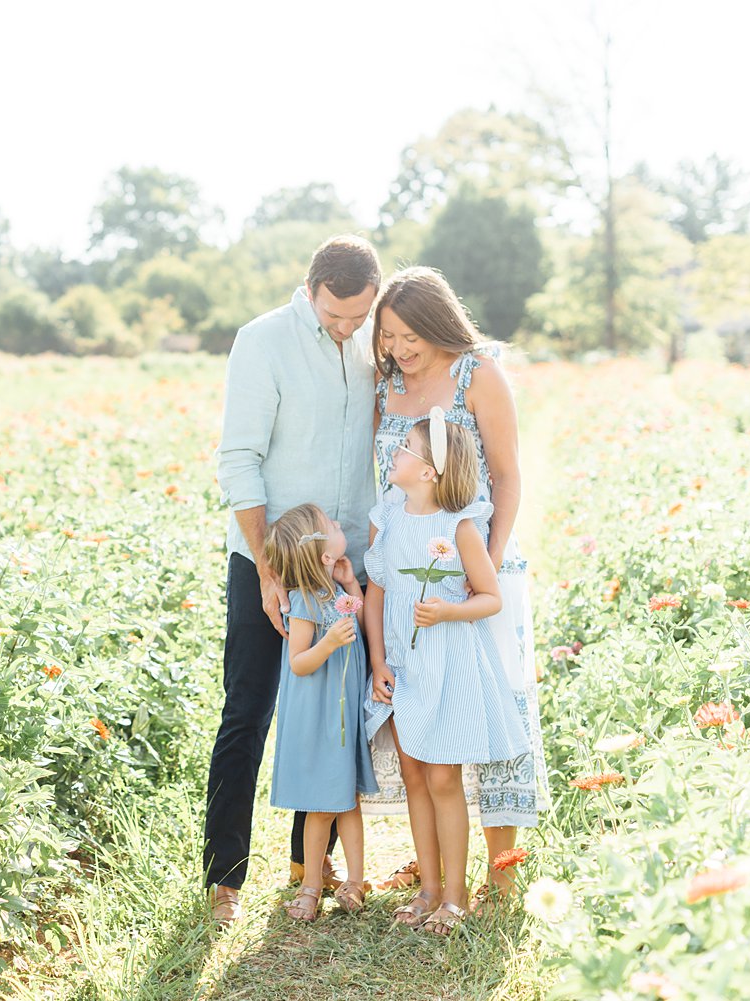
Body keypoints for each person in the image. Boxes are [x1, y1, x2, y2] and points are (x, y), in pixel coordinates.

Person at [361, 265, 550, 908]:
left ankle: (502, 874)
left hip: (481, 566)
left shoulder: (479, 374)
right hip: (411, 575)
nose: (399, 348)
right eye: (387, 336)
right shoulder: (386, 387)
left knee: (494, 714)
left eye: (410, 335)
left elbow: (507, 477)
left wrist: (481, 568)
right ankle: (437, 874)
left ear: (441, 325)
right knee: (425, 722)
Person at [207, 235, 382, 924]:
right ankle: (225, 876)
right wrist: (270, 570)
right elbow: (240, 461)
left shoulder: (371, 341)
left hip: (347, 560)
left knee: (338, 713)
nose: (346, 329)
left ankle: (307, 862)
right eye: (335, 316)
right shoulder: (263, 342)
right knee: (249, 709)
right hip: (267, 558)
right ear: (311, 289)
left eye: (356, 318)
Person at [364, 417, 529, 934]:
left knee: (441, 776)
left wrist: (447, 612)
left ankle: (455, 896)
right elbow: (377, 593)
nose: (394, 452)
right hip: (403, 663)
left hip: (450, 663)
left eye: (406, 448)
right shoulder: (387, 518)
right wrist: (377, 661)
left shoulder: (458, 526)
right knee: (414, 774)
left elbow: (489, 597)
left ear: (430, 471)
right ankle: (429, 888)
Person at [261, 503, 378, 921]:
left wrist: (352, 585)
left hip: (343, 716)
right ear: (324, 555)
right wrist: (327, 644)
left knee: (348, 801)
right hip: (321, 714)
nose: (338, 523)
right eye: (330, 525)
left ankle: (355, 880)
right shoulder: (306, 601)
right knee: (320, 804)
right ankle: (311, 884)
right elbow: (298, 662)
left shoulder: (336, 590)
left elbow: (363, 626)